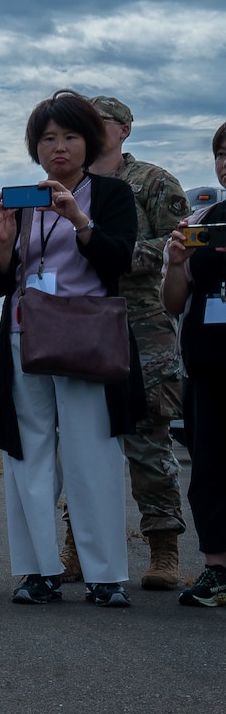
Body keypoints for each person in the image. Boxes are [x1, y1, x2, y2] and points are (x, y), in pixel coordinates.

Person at [0, 90, 141, 607]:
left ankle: (104, 575)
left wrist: (78, 219)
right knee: (28, 451)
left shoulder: (111, 195)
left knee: (92, 449)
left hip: (86, 335)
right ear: (35, 145)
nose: (59, 147)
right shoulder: (23, 200)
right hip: (25, 333)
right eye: (48, 138)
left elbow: (118, 260)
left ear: (89, 141)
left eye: (70, 136)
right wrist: (3, 242)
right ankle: (37, 571)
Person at [84, 96, 189, 590]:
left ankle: (164, 548)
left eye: (98, 121)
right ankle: (76, 545)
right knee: (84, 441)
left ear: (124, 130)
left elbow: (176, 246)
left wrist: (108, 250)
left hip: (143, 324)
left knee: (148, 441)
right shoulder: (71, 185)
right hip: (84, 323)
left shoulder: (154, 181)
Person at [163, 129, 226, 607]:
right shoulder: (202, 221)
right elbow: (174, 302)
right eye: (221, 155)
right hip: (206, 362)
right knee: (208, 468)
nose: (225, 162)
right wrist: (176, 263)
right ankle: (216, 570)